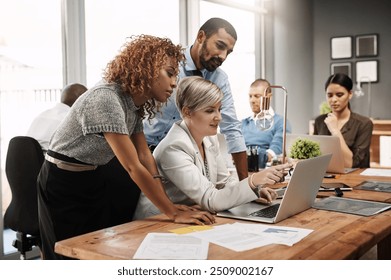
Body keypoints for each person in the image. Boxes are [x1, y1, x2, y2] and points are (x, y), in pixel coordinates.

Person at [37, 35, 215, 260]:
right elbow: (132, 167)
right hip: (61, 181)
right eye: (169, 73)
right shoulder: (107, 98)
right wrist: (172, 213)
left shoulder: (133, 104)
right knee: (65, 255)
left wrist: (168, 206)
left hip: (91, 179)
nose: (174, 83)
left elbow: (144, 156)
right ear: (146, 68)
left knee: (90, 253)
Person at [134, 76, 292, 219]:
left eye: (219, 109)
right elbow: (211, 199)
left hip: (194, 216)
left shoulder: (209, 139)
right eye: (210, 111)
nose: (219, 117)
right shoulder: (173, 147)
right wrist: (253, 180)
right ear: (187, 112)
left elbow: (225, 183)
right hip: (157, 223)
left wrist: (253, 192)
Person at [143, 17, 248, 181]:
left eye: (228, 52)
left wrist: (246, 184)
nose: (223, 56)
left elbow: (232, 127)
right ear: (201, 37)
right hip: (142, 151)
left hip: (182, 159)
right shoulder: (168, 64)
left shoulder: (220, 79)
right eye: (220, 46)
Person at [314, 73, 373, 168]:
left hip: (353, 179)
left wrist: (335, 131)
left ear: (350, 94)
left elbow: (351, 164)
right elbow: (315, 156)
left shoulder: (364, 124)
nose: (334, 100)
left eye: (339, 95)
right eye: (329, 95)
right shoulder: (319, 121)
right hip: (326, 177)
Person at [241, 79, 292, 169]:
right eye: (250, 96)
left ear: (269, 97)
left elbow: (272, 153)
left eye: (257, 96)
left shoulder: (280, 122)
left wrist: (246, 155)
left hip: (264, 170)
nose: (252, 100)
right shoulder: (244, 123)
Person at [26, 83, 87, 151]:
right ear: (82, 101)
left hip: (26, 159)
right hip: (49, 160)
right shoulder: (71, 120)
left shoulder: (41, 115)